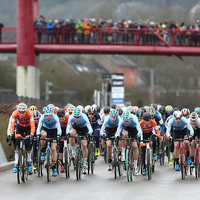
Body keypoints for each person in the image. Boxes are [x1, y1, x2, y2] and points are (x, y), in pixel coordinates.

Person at [10, 103, 35, 174]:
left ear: (25, 111)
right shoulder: (14, 113)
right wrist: (11, 134)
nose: (21, 114)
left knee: (28, 144)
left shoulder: (30, 113)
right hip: (20, 127)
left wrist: (32, 134)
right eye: (20, 112)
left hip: (28, 127)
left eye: (23, 113)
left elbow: (32, 125)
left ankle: (29, 162)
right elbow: (12, 125)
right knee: (17, 142)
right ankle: (16, 163)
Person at [67, 107, 93, 174]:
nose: (76, 118)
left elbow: (89, 127)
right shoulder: (71, 117)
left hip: (84, 128)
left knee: (84, 145)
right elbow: (68, 126)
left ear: (80, 115)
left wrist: (89, 133)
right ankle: (73, 152)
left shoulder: (84, 117)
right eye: (75, 117)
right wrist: (67, 133)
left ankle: (84, 165)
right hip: (76, 127)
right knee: (71, 133)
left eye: (78, 117)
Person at [36, 106, 61, 176]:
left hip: (54, 131)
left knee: (53, 149)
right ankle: (43, 151)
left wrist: (59, 134)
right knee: (43, 135)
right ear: (44, 115)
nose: (48, 117)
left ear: (52, 114)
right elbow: (39, 127)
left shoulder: (55, 117)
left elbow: (59, 127)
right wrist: (38, 134)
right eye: (47, 115)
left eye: (50, 115)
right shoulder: (42, 118)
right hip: (45, 128)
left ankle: (54, 167)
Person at [116, 110, 142, 176]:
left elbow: (139, 129)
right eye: (125, 121)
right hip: (126, 129)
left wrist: (139, 135)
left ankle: (135, 166)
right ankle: (123, 154)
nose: (126, 122)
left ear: (130, 118)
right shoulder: (122, 120)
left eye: (127, 121)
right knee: (124, 135)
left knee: (135, 147)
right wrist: (117, 136)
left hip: (134, 130)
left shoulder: (134, 118)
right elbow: (118, 130)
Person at [57, 108, 69, 173]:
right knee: (61, 147)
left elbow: (70, 126)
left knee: (68, 141)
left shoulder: (68, 118)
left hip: (66, 130)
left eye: (62, 116)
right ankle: (62, 164)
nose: (60, 118)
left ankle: (69, 153)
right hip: (60, 131)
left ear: (64, 115)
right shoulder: (56, 120)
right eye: (59, 117)